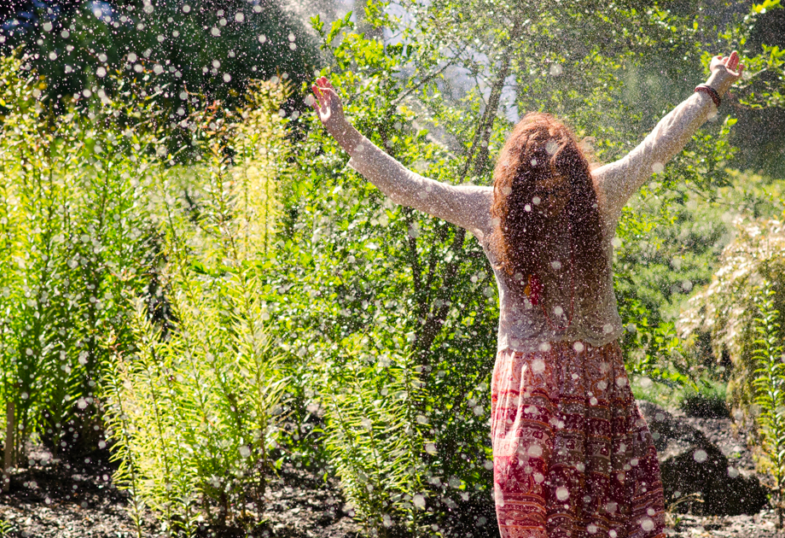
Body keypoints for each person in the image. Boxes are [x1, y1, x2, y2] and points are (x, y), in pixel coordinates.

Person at [312, 52, 745, 538]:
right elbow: (412, 188)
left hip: (570, 383)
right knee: (564, 510)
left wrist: (713, 86)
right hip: (558, 381)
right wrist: (345, 133)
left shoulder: (571, 199)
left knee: (581, 509)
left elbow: (656, 146)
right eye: (546, 176)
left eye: (558, 177)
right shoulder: (509, 208)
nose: (552, 188)